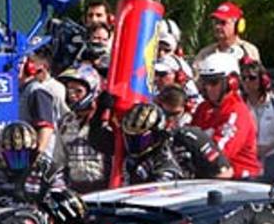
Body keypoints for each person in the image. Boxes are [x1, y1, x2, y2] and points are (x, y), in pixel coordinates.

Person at [191, 52, 261, 179]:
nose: (207, 87)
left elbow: (218, 153)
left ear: (231, 82)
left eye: (213, 82)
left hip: (241, 181)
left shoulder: (237, 112)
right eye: (205, 82)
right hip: (212, 178)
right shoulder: (203, 108)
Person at [88, 102, 183, 184]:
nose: (135, 144)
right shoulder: (126, 150)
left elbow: (160, 192)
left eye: (142, 139)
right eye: (130, 138)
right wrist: (101, 110)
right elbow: (98, 141)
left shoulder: (164, 161)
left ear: (157, 136)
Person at [0, 121, 65, 208]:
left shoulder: (47, 169)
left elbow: (59, 196)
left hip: (37, 213)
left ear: (34, 152)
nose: (17, 160)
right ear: (0, 153)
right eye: (11, 156)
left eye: (23, 155)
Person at [57, 65, 110, 193]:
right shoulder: (66, 121)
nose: (72, 95)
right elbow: (59, 158)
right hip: (75, 189)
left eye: (78, 91)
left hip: (105, 188)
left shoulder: (106, 119)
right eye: (69, 90)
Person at [19, 48, 69, 163]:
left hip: (42, 161)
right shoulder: (25, 89)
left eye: (21, 63)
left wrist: (36, 157)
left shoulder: (37, 91)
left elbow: (46, 128)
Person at [194, 1, 260, 66]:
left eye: (223, 22)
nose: (217, 26)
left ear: (237, 25)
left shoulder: (248, 51)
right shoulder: (205, 54)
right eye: (216, 22)